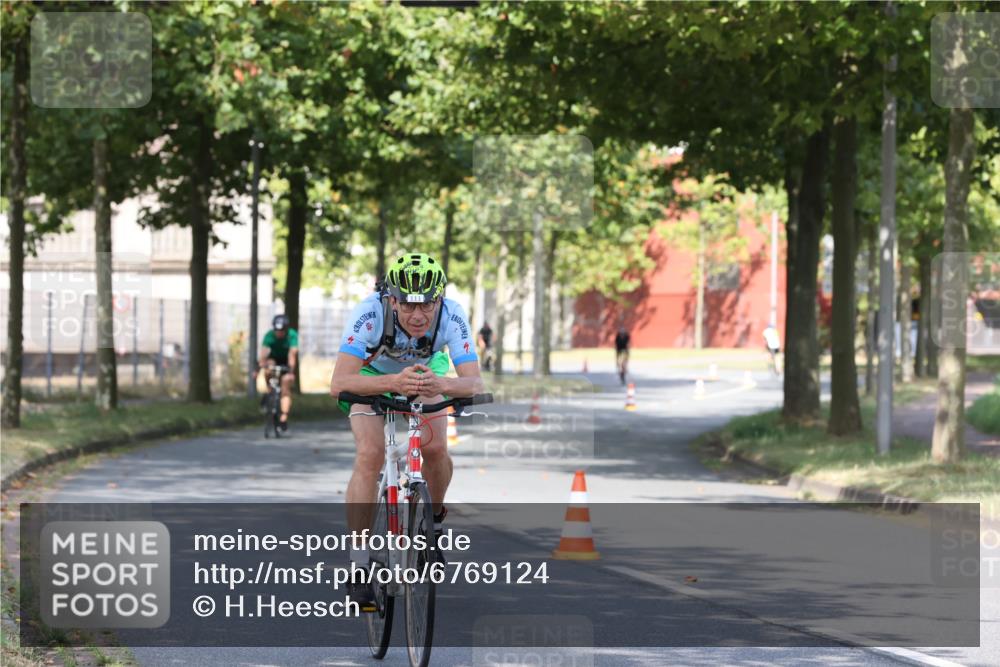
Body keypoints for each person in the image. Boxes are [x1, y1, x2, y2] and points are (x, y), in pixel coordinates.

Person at [329, 252, 483, 609]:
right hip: (371, 377)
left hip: (427, 373)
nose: (418, 316)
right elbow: (339, 382)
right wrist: (392, 381)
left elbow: (474, 383)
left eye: (427, 306)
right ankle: (359, 564)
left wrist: (442, 384)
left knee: (435, 450)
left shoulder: (453, 314)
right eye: (408, 306)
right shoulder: (369, 313)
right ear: (392, 299)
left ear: (439, 300)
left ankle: (433, 528)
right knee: (370, 454)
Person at [256, 315, 298, 433]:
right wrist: (260, 365)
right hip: (273, 359)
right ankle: (269, 391)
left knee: (285, 384)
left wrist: (291, 371)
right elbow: (264, 354)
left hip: (286, 361)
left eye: (281, 331)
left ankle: (283, 418)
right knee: (268, 367)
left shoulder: (292, 335)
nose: (279, 333)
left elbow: (292, 354)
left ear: (286, 329)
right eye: (277, 330)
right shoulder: (269, 335)